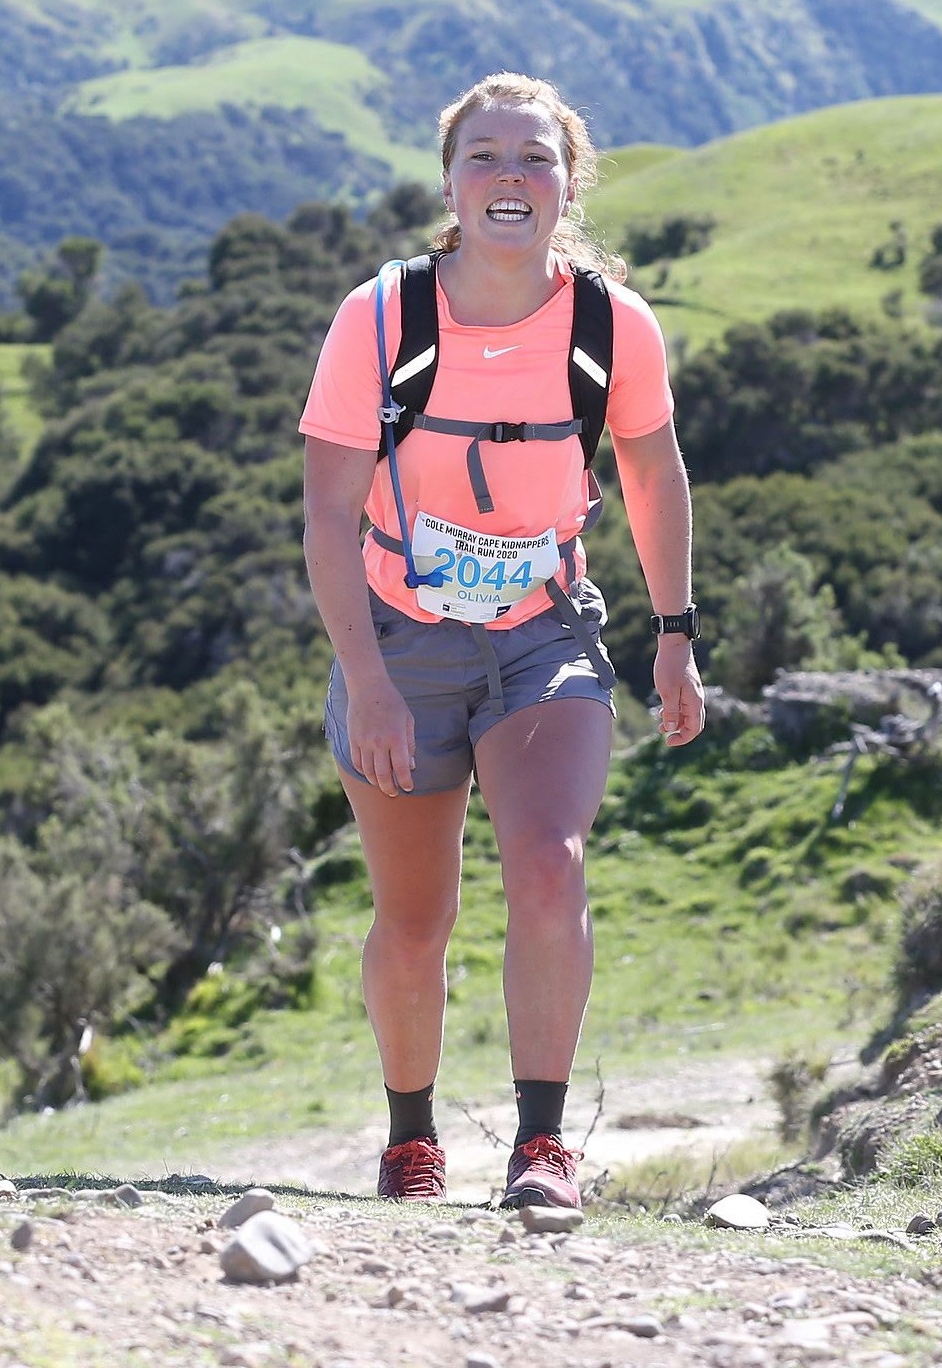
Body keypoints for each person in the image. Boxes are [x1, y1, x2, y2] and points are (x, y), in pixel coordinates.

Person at [297, 72, 706, 1209]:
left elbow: (649, 472)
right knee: (414, 918)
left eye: (534, 158)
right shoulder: (379, 318)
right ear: (449, 181)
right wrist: (368, 683)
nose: (509, 179)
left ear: (568, 184)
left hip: (544, 636)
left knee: (546, 860)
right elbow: (327, 513)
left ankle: (540, 1148)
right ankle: (410, 1140)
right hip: (398, 640)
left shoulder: (609, 324)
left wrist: (674, 634)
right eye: (484, 157)